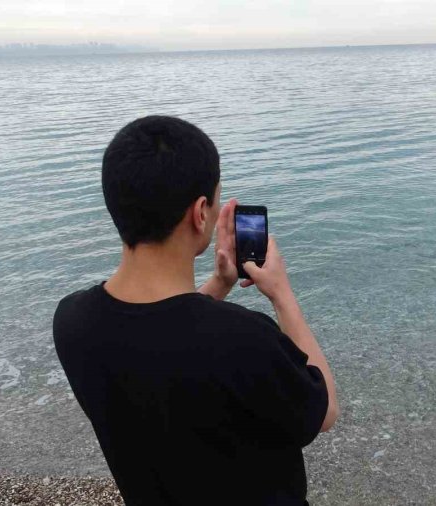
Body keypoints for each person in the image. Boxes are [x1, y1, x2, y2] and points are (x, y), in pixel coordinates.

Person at [52, 115, 338, 505]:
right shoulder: (242, 338)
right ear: (201, 211)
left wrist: (220, 283)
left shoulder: (72, 321)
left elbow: (160, 330)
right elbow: (323, 413)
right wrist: (281, 294)